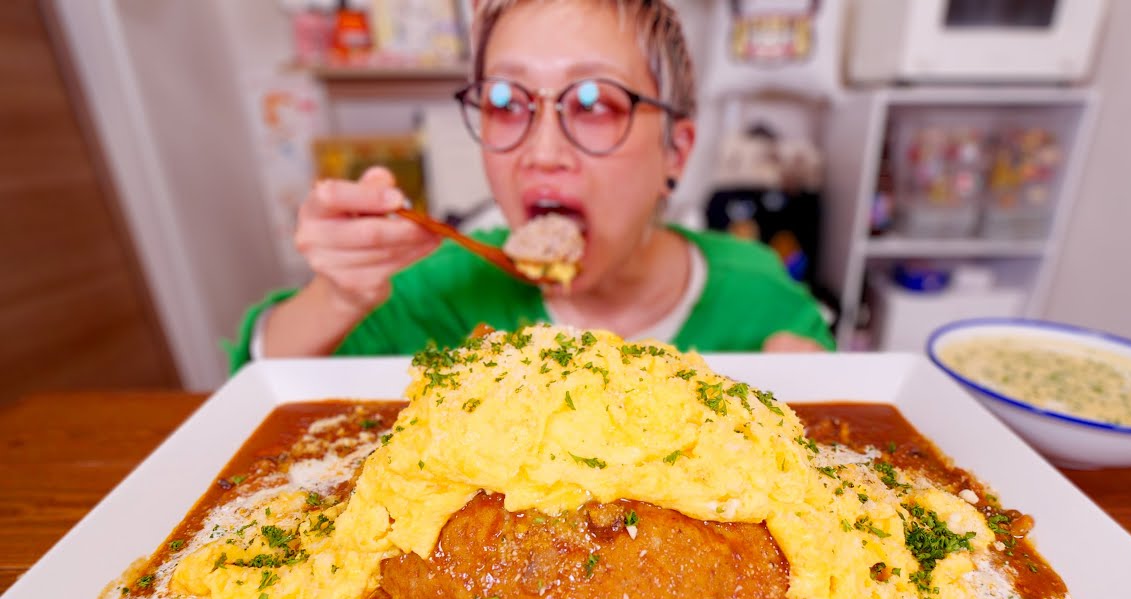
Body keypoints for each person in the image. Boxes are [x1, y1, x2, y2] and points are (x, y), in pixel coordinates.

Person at [227, 0, 834, 373]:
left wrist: (812, 387)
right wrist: (337, 295)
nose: (541, 153)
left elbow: (832, 399)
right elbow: (259, 384)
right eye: (504, 102)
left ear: (675, 151)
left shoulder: (757, 294)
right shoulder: (437, 291)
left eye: (595, 103)